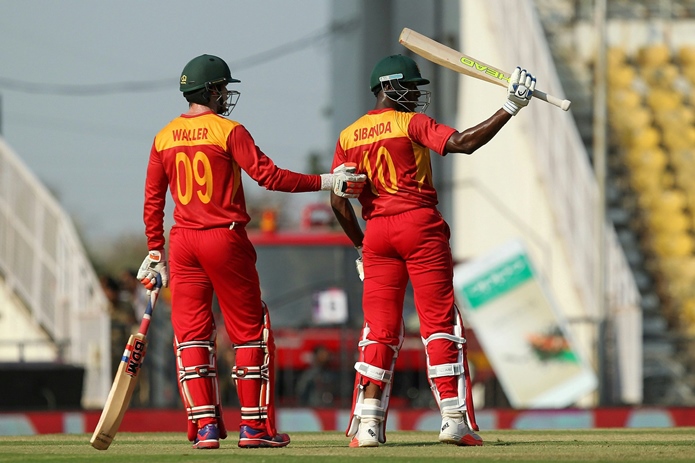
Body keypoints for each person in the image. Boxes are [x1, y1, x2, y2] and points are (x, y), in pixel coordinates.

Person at [136, 54, 366, 450]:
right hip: (223, 238)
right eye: (222, 88)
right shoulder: (229, 130)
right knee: (249, 334)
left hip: (183, 243)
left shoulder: (163, 136)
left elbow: (153, 200)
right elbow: (269, 176)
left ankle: (205, 428)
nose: (226, 95)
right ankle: (254, 428)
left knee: (191, 337)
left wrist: (156, 251)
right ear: (210, 90)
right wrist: (329, 181)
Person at [330, 54, 536, 448]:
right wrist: (510, 107)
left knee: (380, 330)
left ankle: (369, 426)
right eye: (410, 87)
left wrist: (360, 245)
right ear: (388, 87)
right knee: (439, 323)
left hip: (376, 233)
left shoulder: (347, 136)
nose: (415, 95)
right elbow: (463, 143)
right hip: (418, 224)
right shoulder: (410, 123)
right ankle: (453, 419)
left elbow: (339, 203)